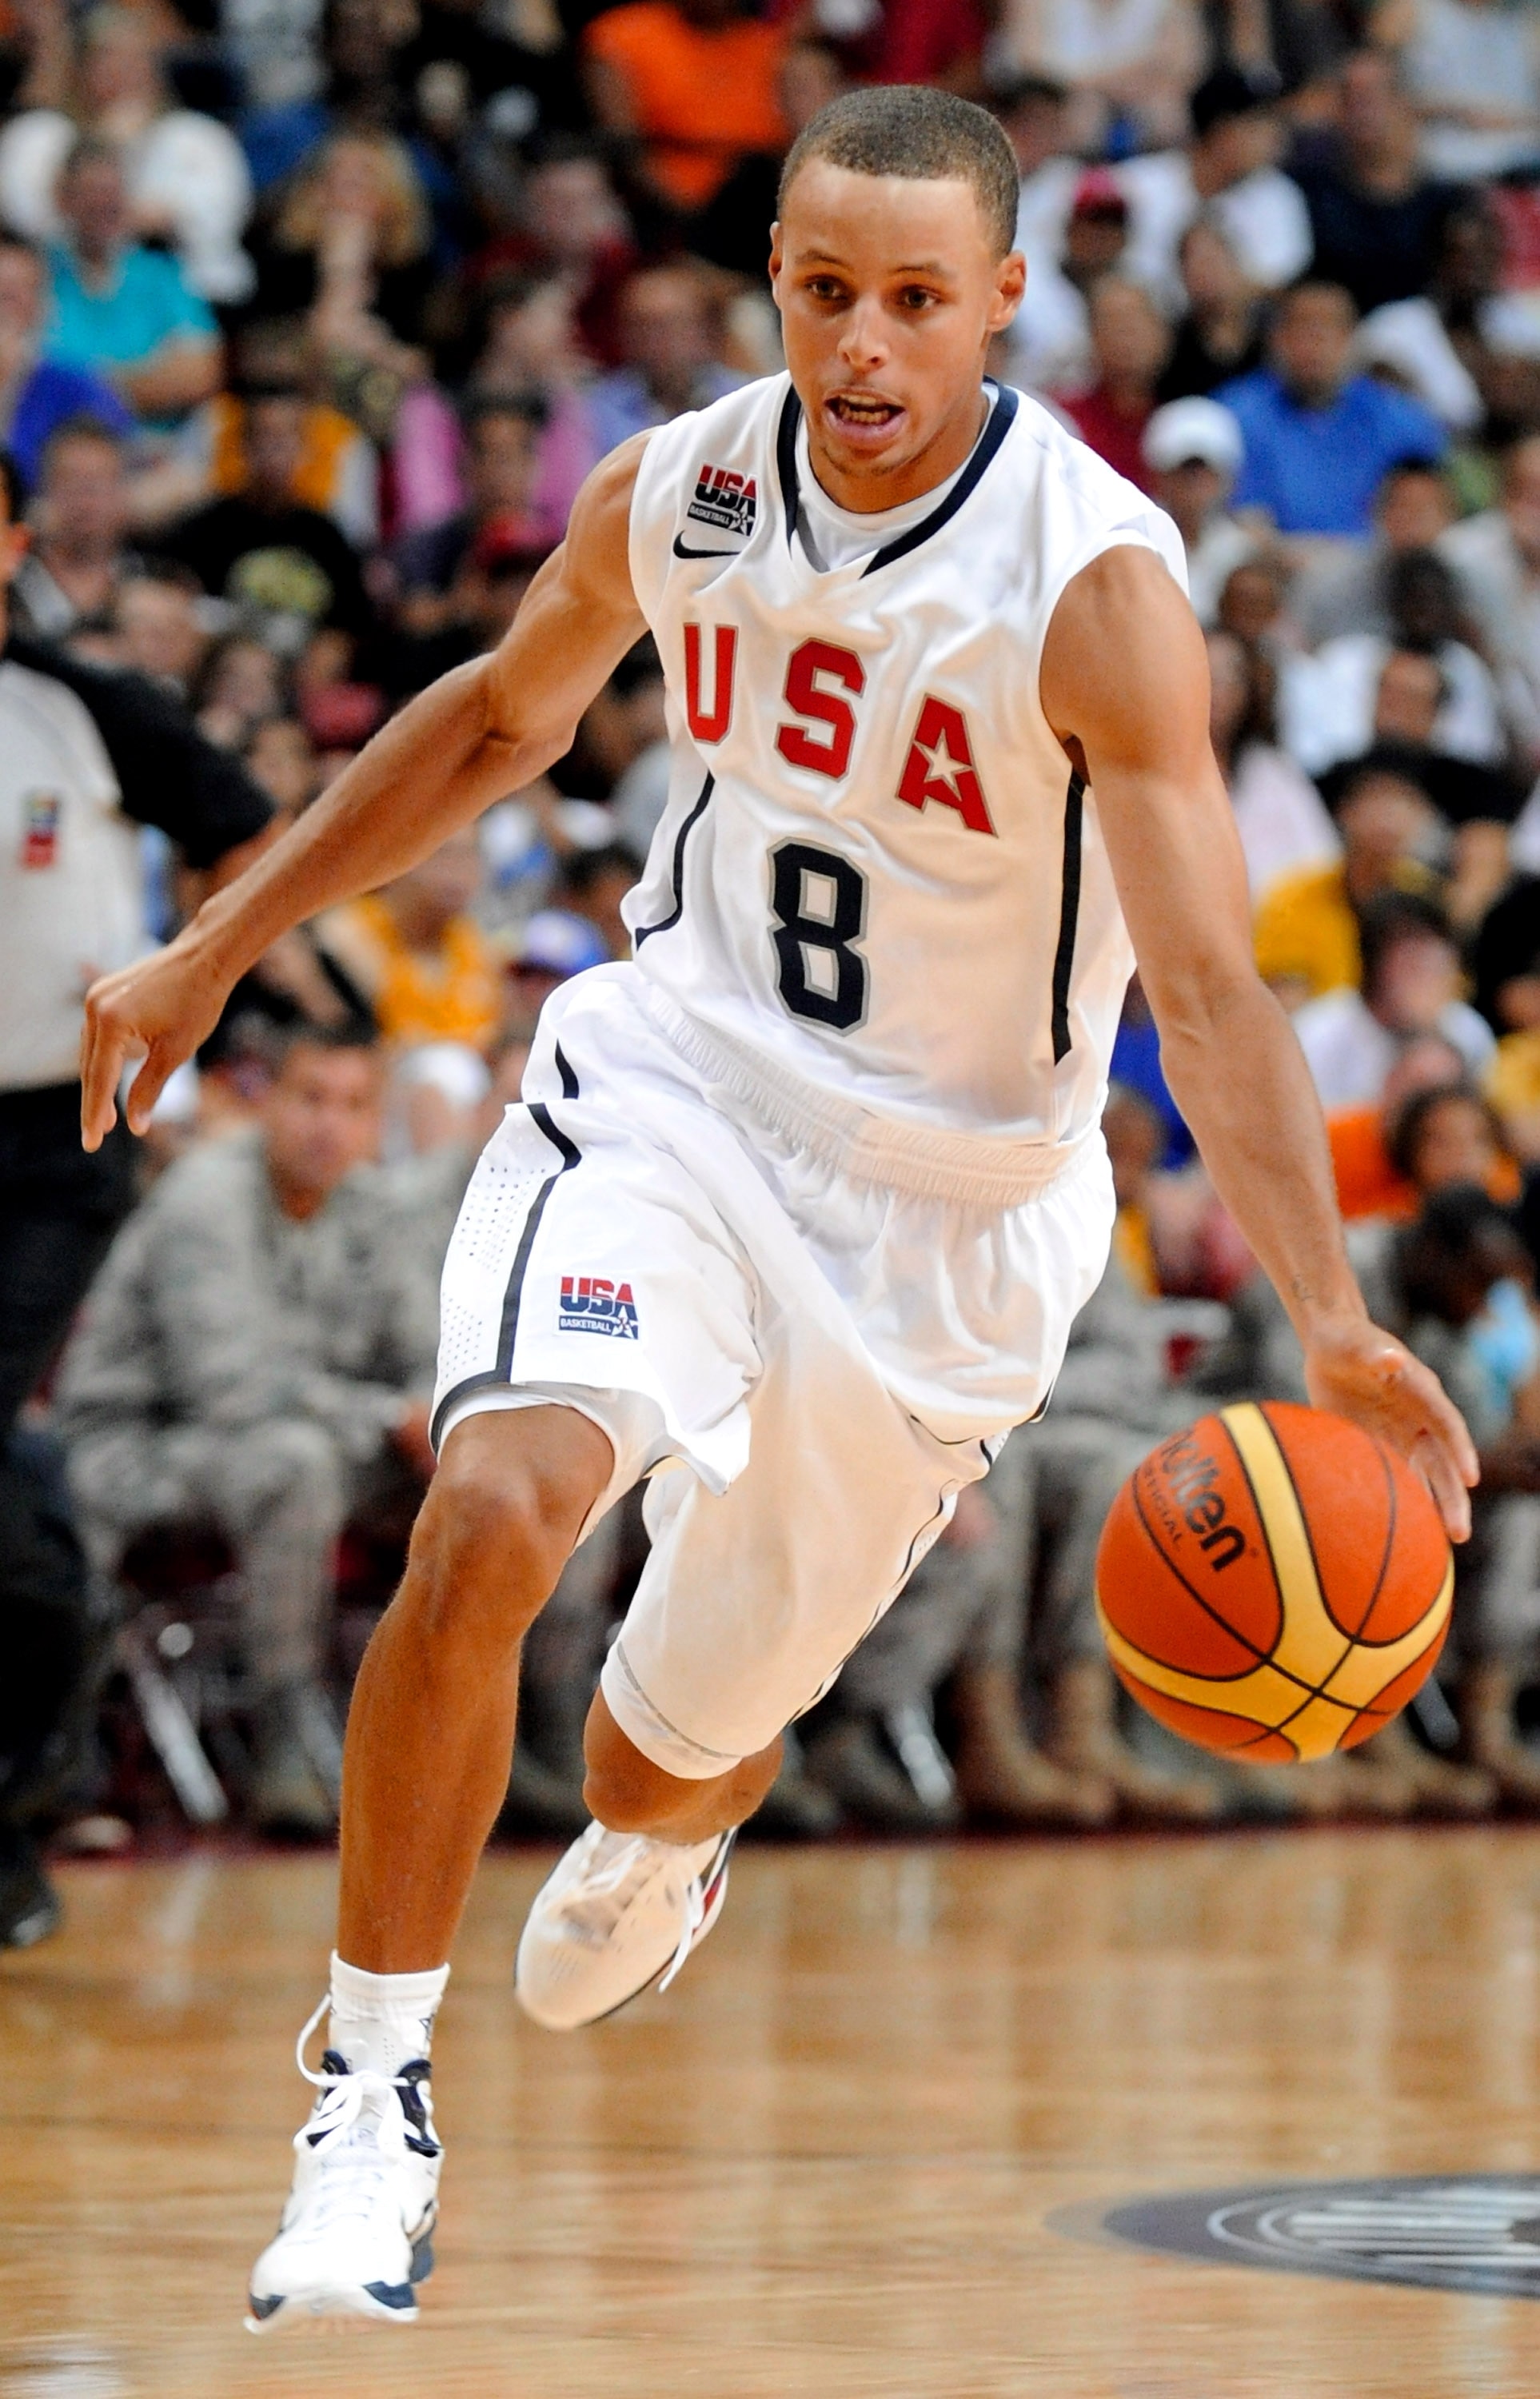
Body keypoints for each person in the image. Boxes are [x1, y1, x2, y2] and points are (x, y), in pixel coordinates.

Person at [76, 88, 1476, 2330]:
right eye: (821, 289)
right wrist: (217, 935)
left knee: (658, 1749)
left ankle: (667, 1828)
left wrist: (1319, 1312)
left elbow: (1204, 991)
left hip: (949, 1229)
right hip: (676, 1094)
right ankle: (365, 2090)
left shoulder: (1094, 585)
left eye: (914, 300)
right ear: (776, 285)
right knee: (497, 1504)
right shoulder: (686, 482)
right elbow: (496, 723)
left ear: (1002, 304)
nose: (859, 343)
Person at [0, 447, 273, 1946]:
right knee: (6, 1469)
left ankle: (29, 1779)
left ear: (15, 542)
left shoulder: (83, 709)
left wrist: (197, 1006)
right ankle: (41, 1742)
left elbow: (250, 830)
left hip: (57, 1130)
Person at [56, 1024, 439, 1837]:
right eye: (310, 1098)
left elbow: (427, 1357)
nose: (328, 1125)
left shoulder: (374, 1204)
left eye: (353, 1106)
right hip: (132, 1447)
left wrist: (439, 1418)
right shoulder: (205, 1197)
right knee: (293, 1465)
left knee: (494, 1471)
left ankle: (512, 1727)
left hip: (298, 1442)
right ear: (266, 1103)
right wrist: (389, 1416)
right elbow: (229, 1389)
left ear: (377, 1124)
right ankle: (284, 1726)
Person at [0, 6, 254, 305]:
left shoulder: (196, 136)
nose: (121, 72)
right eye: (106, 58)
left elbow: (223, 216)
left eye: (134, 59)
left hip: (194, 294)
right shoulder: (38, 134)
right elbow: (27, 216)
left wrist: (126, 214)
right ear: (80, 68)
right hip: (68, 295)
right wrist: (109, 143)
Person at [1219, 279, 1446, 542]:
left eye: (1325, 333)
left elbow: (1430, 509)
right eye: (1301, 332)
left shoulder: (1402, 420)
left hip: (1374, 565)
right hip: (1274, 564)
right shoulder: (1236, 414)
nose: (1313, 348)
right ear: (1278, 339)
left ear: (1351, 340)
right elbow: (1235, 515)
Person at [41, 138, 221, 428]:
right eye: (92, 192)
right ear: (63, 199)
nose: (105, 203)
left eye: (114, 192)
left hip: (154, 451)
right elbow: (24, 379)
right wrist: (148, 377)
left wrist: (81, 384)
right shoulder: (39, 274)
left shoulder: (162, 274)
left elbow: (200, 374)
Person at [0, 234, 132, 492]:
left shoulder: (79, 385)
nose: (4, 310)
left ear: (42, 304)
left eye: (14, 295)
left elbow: (122, 470)